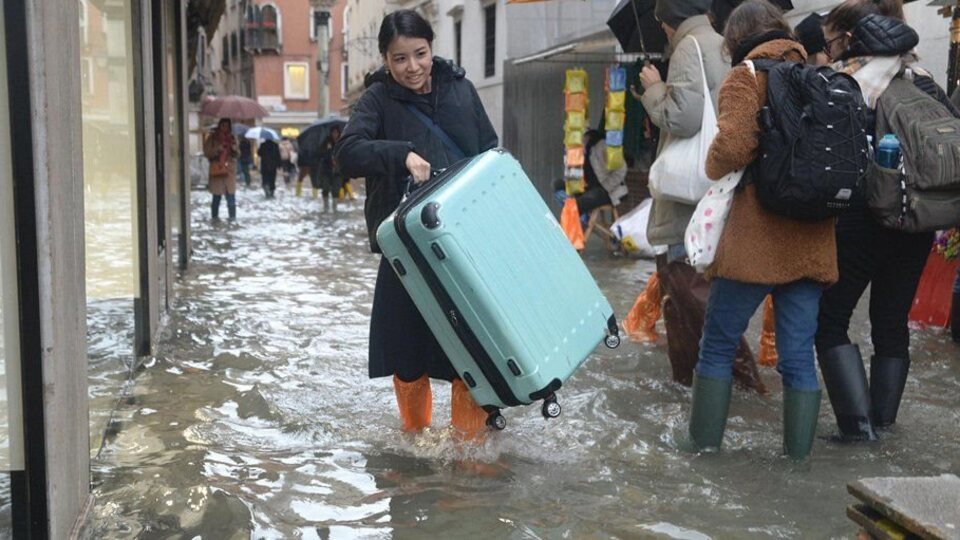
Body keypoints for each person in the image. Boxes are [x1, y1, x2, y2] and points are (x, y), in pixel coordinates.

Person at [335, 9, 499, 438]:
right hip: (405, 250)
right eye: (400, 58)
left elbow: (490, 152)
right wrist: (400, 154)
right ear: (385, 60)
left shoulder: (461, 90)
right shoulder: (376, 100)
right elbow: (347, 154)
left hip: (463, 246)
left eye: (420, 54)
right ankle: (414, 442)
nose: (412, 67)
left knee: (473, 351)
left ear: (431, 48)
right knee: (406, 354)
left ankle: (470, 450)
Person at [691, 0, 836, 460]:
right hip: (812, 238)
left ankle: (703, 450)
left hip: (756, 239)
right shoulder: (818, 75)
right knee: (798, 357)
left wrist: (709, 163)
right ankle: (798, 461)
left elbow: (733, 148)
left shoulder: (746, 76)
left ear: (735, 39)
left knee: (717, 347)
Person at [815, 0, 953, 441]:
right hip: (917, 220)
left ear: (850, 38)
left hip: (861, 221)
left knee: (830, 321)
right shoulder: (924, 80)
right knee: (891, 324)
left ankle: (858, 430)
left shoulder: (849, 82)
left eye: (831, 41)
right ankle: (884, 424)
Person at [638, 0, 763, 392]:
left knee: (687, 289)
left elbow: (683, 117)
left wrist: (653, 89)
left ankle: (737, 384)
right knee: (687, 296)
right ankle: (696, 386)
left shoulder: (689, 47)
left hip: (688, 201)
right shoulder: (724, 45)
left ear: (669, 20)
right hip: (719, 190)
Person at [551, 129, 628, 217]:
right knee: (557, 184)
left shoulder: (602, 146)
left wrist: (606, 186)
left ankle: (577, 215)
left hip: (606, 189)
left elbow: (621, 169)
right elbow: (571, 177)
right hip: (586, 188)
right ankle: (571, 206)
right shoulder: (575, 152)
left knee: (583, 200)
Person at [203, 118, 239, 221]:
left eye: (227, 126)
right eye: (223, 125)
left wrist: (234, 148)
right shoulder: (212, 138)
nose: (225, 128)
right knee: (216, 197)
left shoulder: (232, 137)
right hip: (217, 168)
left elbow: (238, 154)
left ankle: (232, 219)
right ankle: (215, 218)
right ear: (219, 125)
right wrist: (217, 149)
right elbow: (207, 152)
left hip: (229, 170)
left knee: (231, 197)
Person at [317, 126, 344, 211]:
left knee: (336, 189)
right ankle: (326, 207)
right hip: (326, 171)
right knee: (325, 188)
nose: (335, 134)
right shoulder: (326, 142)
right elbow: (321, 155)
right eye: (333, 132)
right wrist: (328, 150)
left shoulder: (341, 142)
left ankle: (334, 208)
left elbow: (345, 154)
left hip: (337, 171)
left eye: (336, 132)